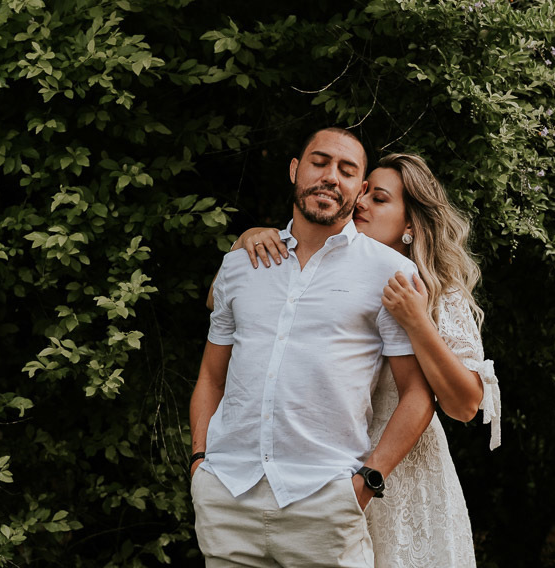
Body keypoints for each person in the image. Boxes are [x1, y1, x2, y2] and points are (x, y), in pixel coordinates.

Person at [222, 152, 502, 567]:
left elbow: (464, 407)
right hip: (322, 475)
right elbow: (220, 302)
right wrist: (247, 239)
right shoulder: (316, 268)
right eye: (365, 192)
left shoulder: (439, 292)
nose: (362, 203)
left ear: (410, 224)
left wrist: (417, 321)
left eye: (381, 199)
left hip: (402, 481)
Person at [189, 127, 436, 568]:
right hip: (227, 494)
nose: (330, 177)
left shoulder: (390, 273)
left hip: (326, 502)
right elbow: (211, 375)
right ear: (295, 170)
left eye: (346, 170)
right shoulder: (240, 264)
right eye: (319, 162)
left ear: (359, 190)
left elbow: (417, 394)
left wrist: (367, 481)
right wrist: (200, 463)